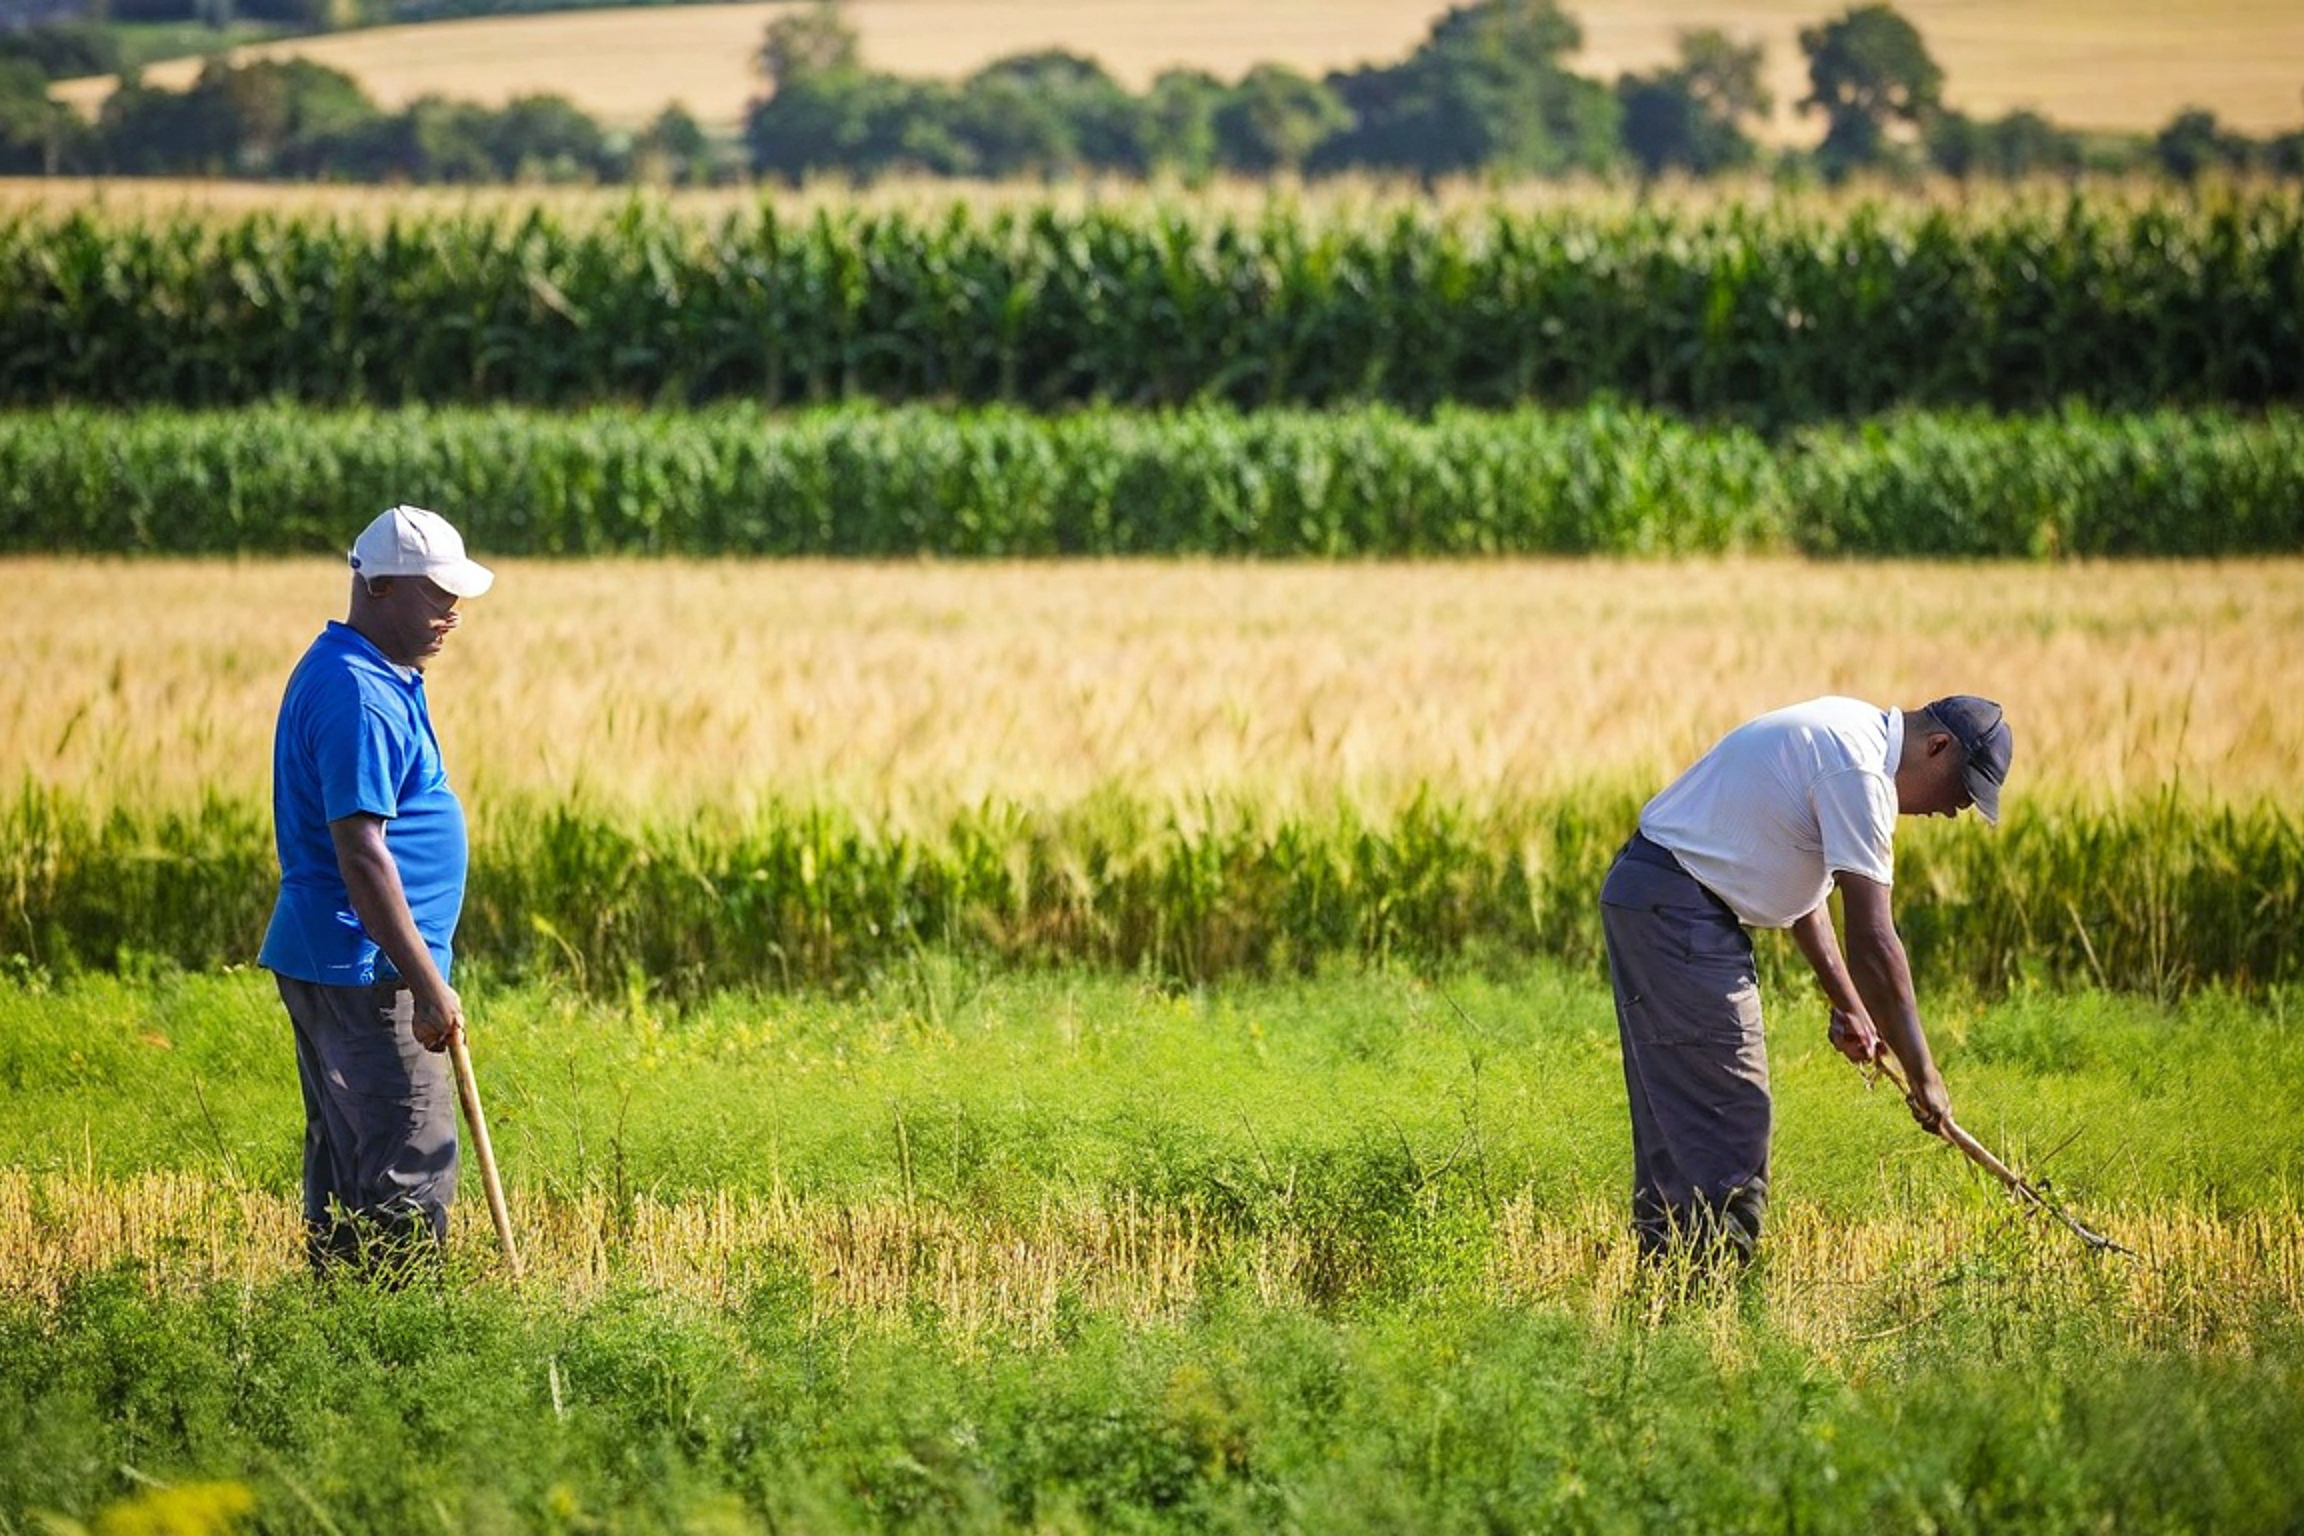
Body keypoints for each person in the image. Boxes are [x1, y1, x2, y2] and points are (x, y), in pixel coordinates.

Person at [1600, 694, 2013, 1263]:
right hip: (1675, 908)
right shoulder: (1859, 772)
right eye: (1961, 790)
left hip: (1659, 897)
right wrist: (1925, 1075)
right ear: (1938, 747)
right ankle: (1711, 1284)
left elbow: (1804, 897)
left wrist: (1851, 1005)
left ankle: (1667, 1285)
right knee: (1729, 1114)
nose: (1953, 810)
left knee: (1680, 1115)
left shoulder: (1849, 734)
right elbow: (1874, 941)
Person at [259, 505, 495, 1274]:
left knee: (348, 1166)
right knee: (405, 1163)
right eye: (437, 594)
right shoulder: (359, 692)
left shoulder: (367, 672)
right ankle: (398, 1327)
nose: (453, 613)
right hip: (369, 970)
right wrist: (427, 984)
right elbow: (362, 854)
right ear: (382, 586)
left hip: (345, 959)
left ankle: (345, 1325)